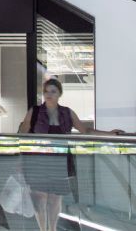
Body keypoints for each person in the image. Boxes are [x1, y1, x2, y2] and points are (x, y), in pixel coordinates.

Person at [19, 78, 87, 231]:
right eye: (46, 91)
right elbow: (22, 135)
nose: (49, 94)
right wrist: (20, 161)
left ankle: (53, 229)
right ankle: (43, 229)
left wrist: (110, 133)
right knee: (40, 197)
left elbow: (85, 131)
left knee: (55, 198)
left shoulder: (67, 113)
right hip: (38, 161)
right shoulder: (34, 111)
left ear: (59, 94)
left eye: (53, 91)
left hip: (60, 162)